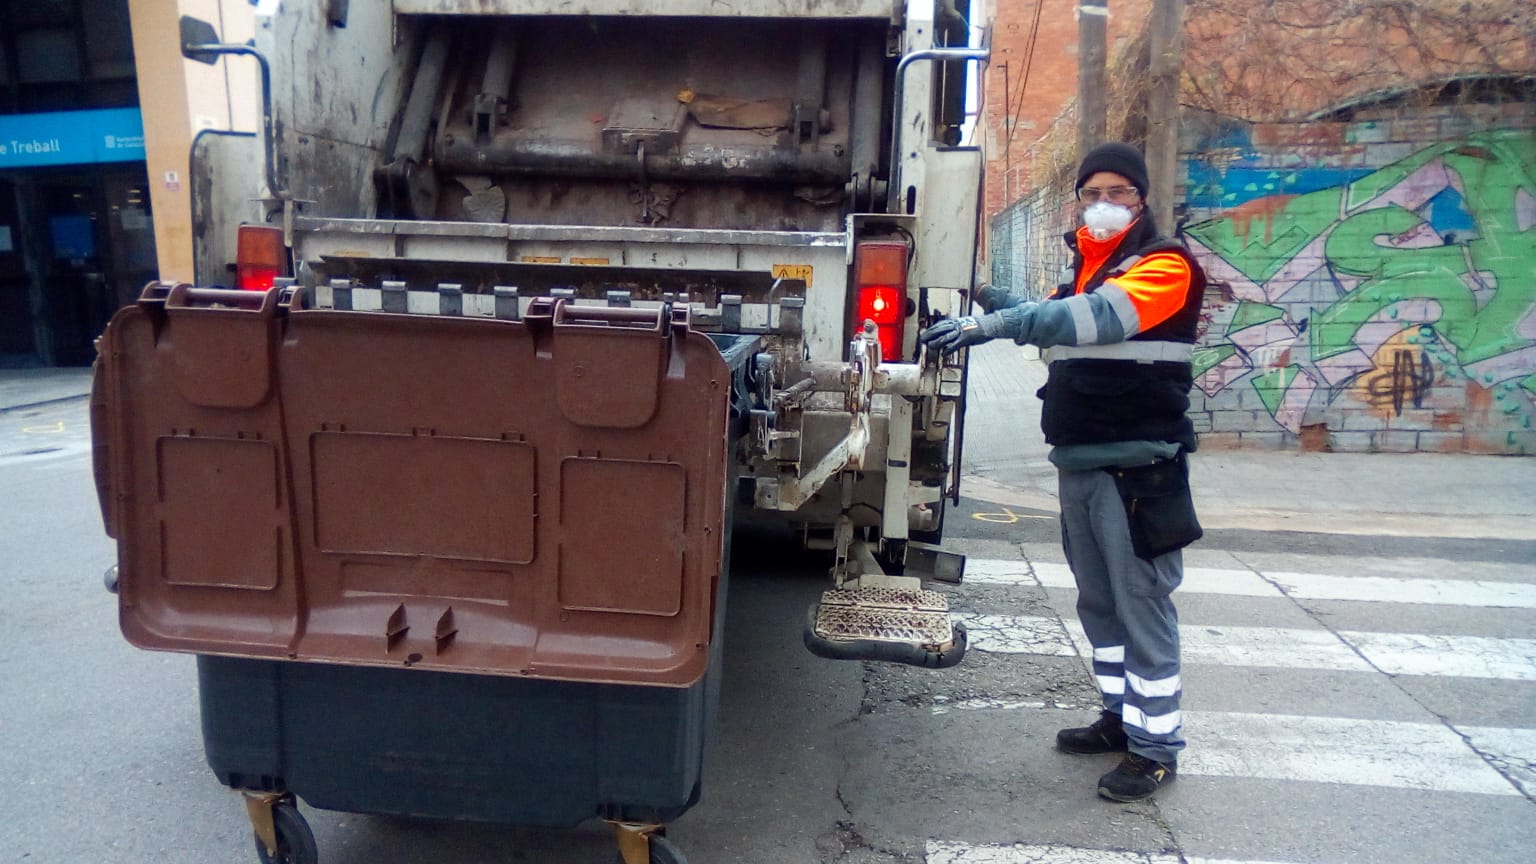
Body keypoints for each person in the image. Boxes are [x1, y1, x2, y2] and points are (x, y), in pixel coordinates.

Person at [921, 142, 1206, 802]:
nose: (1104, 205)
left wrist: (991, 323)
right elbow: (1052, 313)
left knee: (1141, 607)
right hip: (1080, 466)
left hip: (1139, 472)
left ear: (1142, 200)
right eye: (1093, 192)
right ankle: (1119, 717)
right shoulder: (1086, 276)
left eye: (1119, 193)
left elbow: (1093, 319)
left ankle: (1155, 747)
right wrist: (985, 295)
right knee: (1100, 604)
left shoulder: (1164, 266)